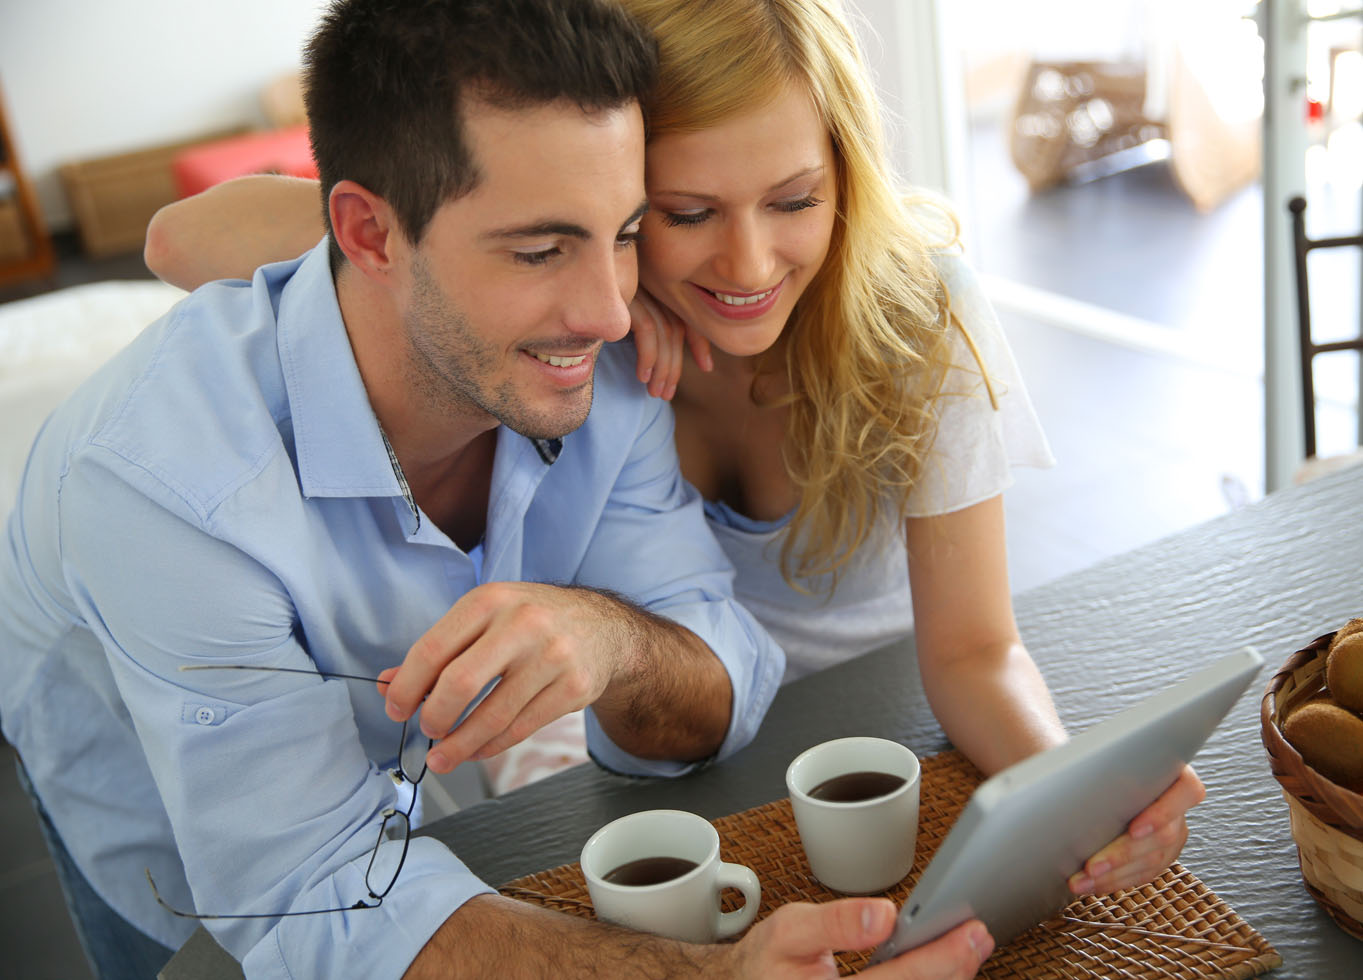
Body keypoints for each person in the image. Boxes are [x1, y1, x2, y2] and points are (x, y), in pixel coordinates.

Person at [0, 1, 1005, 978]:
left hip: (394, 722)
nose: (614, 311)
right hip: (140, 729)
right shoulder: (163, 491)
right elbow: (314, 892)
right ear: (369, 233)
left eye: (624, 232)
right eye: (541, 248)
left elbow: (717, 664)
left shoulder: (601, 357)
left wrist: (609, 636)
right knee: (200, 952)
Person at [147, 0, 1206, 908]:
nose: (748, 263)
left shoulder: (917, 314)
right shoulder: (568, 334)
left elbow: (973, 653)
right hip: (645, 770)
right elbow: (180, 238)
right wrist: (590, 268)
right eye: (684, 213)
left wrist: (1068, 783)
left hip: (877, 752)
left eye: (795, 200)